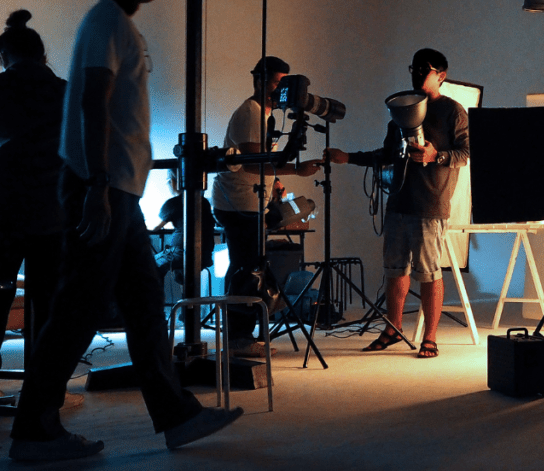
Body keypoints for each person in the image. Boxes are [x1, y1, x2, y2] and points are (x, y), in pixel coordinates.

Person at [9, 0, 241, 462]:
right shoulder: (108, 21)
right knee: (77, 307)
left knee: (141, 303)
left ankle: (176, 414)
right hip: (104, 187)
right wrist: (95, 187)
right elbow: (93, 100)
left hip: (118, 189)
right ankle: (34, 429)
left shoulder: (113, 23)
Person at [329, 48, 469, 358]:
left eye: (425, 69)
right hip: (398, 202)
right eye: (414, 68)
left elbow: (466, 153)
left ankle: (430, 338)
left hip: (430, 204)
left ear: (441, 75)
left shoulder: (453, 111)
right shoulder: (402, 111)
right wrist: (348, 158)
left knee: (430, 272)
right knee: (394, 269)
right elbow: (387, 155)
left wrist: (437, 156)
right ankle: (393, 328)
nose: (418, 73)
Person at [211, 56, 319, 357]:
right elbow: (254, 162)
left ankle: (249, 328)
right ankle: (238, 339)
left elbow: (263, 166)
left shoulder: (267, 116)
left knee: (252, 266)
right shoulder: (251, 113)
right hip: (237, 203)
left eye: (284, 85)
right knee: (247, 269)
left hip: (250, 201)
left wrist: (280, 181)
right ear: (259, 80)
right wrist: (293, 169)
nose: (280, 91)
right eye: (275, 83)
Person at [0, 10, 67, 387]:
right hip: (52, 215)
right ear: (43, 56)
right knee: (48, 307)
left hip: (3, 214)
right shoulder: (64, 91)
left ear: (4, 58)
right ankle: (42, 396)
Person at [153, 168, 216, 288]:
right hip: (205, 254)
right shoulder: (204, 202)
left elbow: (155, 227)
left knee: (151, 264)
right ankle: (188, 301)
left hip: (180, 254)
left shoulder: (172, 203)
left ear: (173, 181)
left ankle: (154, 302)